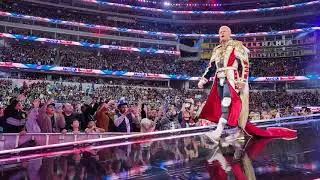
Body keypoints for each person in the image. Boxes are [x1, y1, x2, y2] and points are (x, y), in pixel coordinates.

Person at [198, 26, 296, 141]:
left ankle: (219, 133)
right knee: (225, 107)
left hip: (232, 78)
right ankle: (235, 131)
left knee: (227, 102)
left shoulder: (237, 45)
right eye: (220, 32)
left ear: (230, 33)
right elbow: (211, 67)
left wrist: (242, 80)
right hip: (218, 79)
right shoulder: (217, 49)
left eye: (224, 31)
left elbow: (245, 64)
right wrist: (203, 79)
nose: (221, 33)